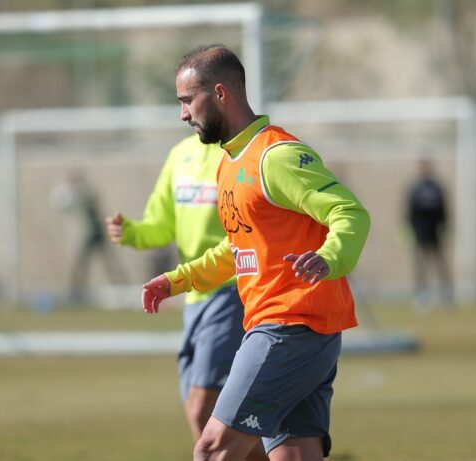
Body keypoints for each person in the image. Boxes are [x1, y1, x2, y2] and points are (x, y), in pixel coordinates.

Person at [141, 45, 371, 461]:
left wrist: (330, 256)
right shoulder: (230, 162)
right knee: (294, 455)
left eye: (187, 100)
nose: (183, 114)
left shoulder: (275, 156)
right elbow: (239, 246)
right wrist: (179, 280)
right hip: (296, 333)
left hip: (288, 328)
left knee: (212, 448)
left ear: (220, 93)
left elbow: (349, 212)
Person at [105, 135, 266, 460]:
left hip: (231, 289)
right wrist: (132, 232)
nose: (184, 113)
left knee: (201, 407)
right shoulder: (180, 154)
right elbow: (161, 225)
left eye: (189, 106)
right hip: (192, 296)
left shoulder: (240, 155)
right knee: (204, 412)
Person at [53, 170, 126, 302]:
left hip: (96, 233)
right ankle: (76, 291)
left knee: (107, 263)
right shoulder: (79, 194)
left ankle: (121, 288)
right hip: (90, 234)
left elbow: (88, 199)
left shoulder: (86, 193)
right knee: (83, 264)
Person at [405, 157, 452, 308]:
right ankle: (422, 294)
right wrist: (410, 228)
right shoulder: (416, 188)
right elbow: (410, 210)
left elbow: (443, 210)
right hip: (420, 232)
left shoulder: (436, 188)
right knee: (421, 265)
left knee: (440, 263)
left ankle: (446, 294)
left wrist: (445, 227)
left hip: (435, 232)